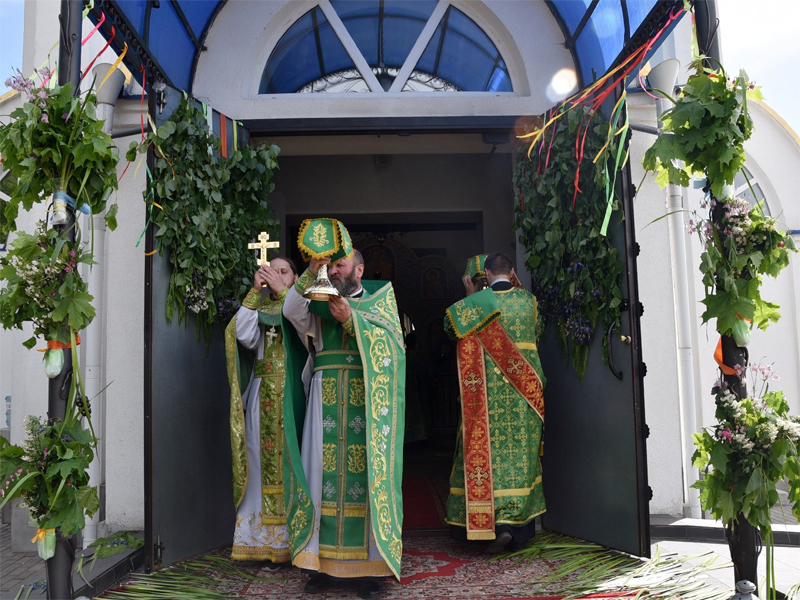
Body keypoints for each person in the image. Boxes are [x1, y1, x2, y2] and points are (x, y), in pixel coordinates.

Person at [282, 249, 405, 600]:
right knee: (319, 477)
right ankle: (318, 565)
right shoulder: (319, 301)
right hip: (325, 401)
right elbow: (290, 310)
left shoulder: (381, 302)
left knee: (369, 481)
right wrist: (311, 271)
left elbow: (394, 349)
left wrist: (352, 321)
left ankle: (370, 569)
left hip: (368, 403)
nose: (334, 270)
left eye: (340, 264)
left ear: (359, 269)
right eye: (330, 265)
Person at [444, 252, 546, 553]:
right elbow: (538, 333)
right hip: (524, 397)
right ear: (512, 272)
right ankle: (516, 529)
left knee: (489, 460)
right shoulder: (530, 302)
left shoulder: (475, 304)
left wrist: (470, 296)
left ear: (486, 274)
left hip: (485, 400)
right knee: (521, 462)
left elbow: (450, 329)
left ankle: (492, 527)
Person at [224, 257, 299, 566]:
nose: (277, 275)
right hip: (262, 395)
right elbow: (243, 335)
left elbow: (305, 332)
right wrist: (255, 292)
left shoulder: (301, 306)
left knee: (293, 464)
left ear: (295, 277)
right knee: (258, 460)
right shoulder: (260, 309)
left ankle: (294, 541)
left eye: (284, 271)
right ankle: (258, 542)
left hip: (293, 394)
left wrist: (286, 295)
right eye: (272, 271)